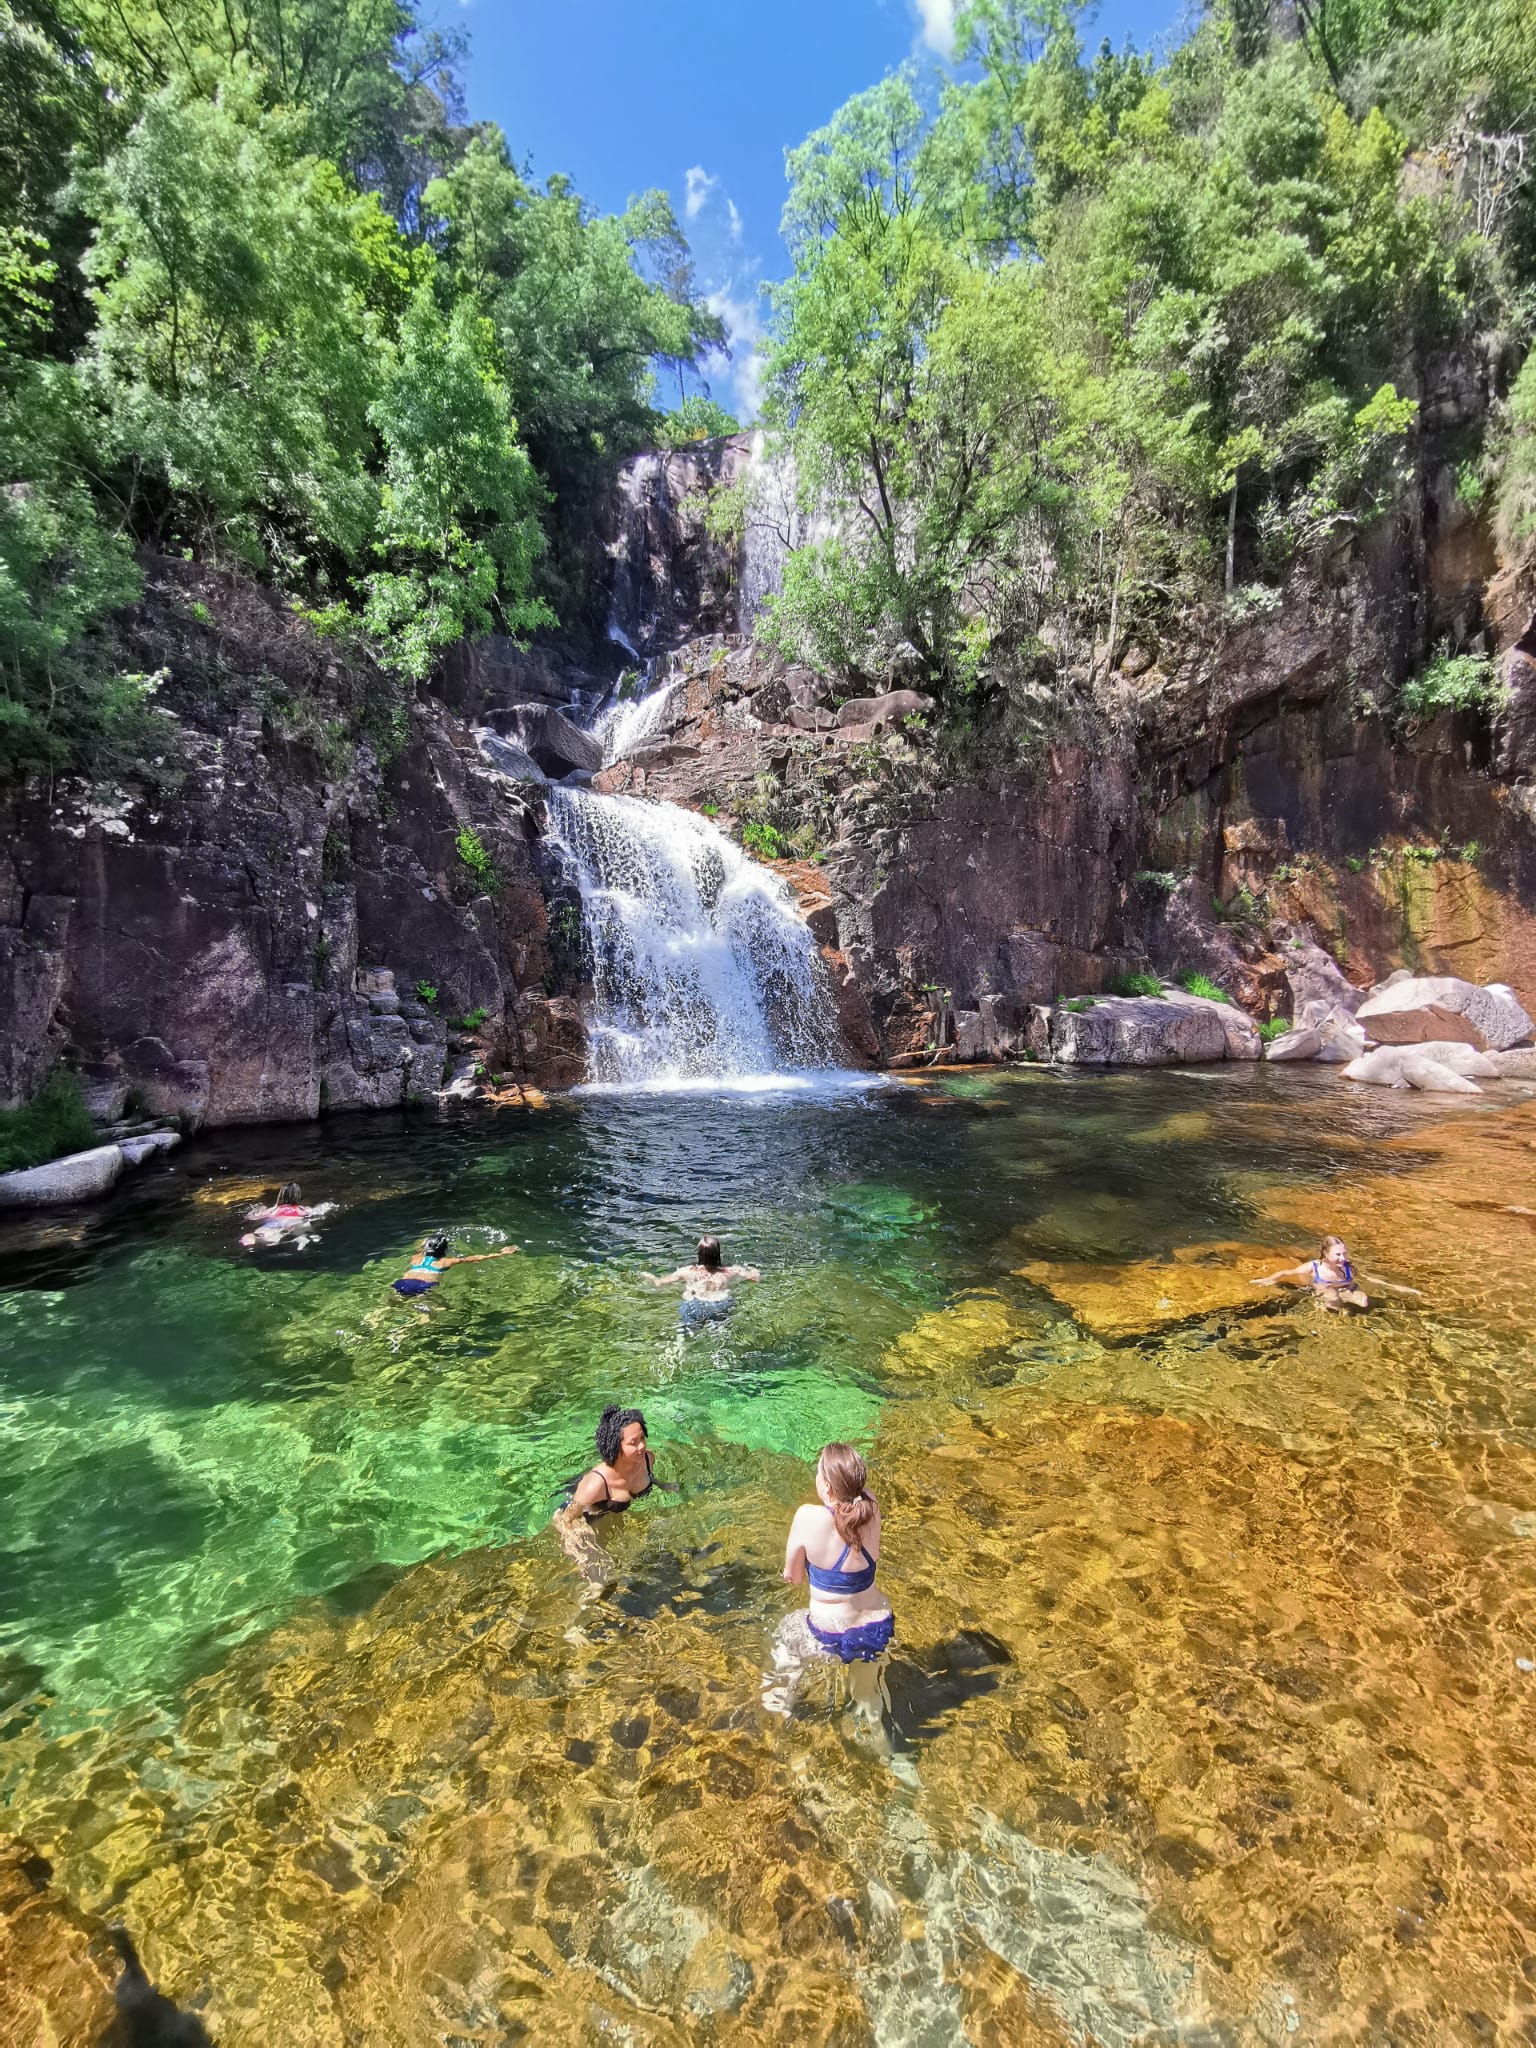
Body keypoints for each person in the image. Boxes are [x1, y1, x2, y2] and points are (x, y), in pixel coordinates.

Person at [764, 1442, 893, 1729]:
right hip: (877, 1626)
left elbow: (792, 1576)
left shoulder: (808, 1517)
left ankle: (781, 1709)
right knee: (866, 1695)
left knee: (786, 1636)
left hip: (829, 1633)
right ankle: (888, 1753)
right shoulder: (871, 1506)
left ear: (826, 1484)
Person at [553, 1405, 668, 1581]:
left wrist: (665, 1486)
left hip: (608, 1507)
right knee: (602, 1577)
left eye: (642, 1438)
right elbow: (565, 1519)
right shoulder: (595, 1485)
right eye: (633, 1443)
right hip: (583, 1510)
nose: (641, 1446)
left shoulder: (647, 1458)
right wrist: (583, 1546)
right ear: (616, 1446)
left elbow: (649, 1477)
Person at [641, 1235, 761, 1328]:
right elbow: (754, 1279)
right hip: (719, 1304)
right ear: (717, 1253)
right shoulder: (731, 1271)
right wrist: (754, 1269)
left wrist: (651, 1277)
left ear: (699, 1254)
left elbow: (659, 1283)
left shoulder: (686, 1271)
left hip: (694, 1305)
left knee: (685, 1336)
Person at [391, 1233, 517, 1307]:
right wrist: (502, 1254)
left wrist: (425, 1242)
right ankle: (406, 1330)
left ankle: (375, 1318)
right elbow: (475, 1258)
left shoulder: (415, 1258)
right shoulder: (446, 1261)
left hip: (403, 1284)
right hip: (422, 1287)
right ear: (445, 1251)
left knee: (391, 1305)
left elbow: (420, 1249)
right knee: (438, 1309)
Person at [1252, 1235, 1370, 1310]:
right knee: (1332, 1300)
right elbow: (1286, 1273)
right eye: (1338, 1254)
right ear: (1325, 1253)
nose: (1343, 1258)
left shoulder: (1347, 1267)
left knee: (1363, 1301)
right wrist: (1268, 1280)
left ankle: (1345, 1297)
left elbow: (1364, 1277)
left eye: (1344, 1253)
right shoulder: (1313, 1267)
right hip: (1325, 1289)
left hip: (1345, 1287)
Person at [240, 1182, 332, 1249]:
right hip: (288, 1224)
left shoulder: (271, 1210)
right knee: (300, 1226)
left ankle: (255, 1236)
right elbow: (319, 1210)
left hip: (271, 1224)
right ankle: (303, 1236)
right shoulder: (301, 1210)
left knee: (270, 1230)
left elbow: (251, 1217)